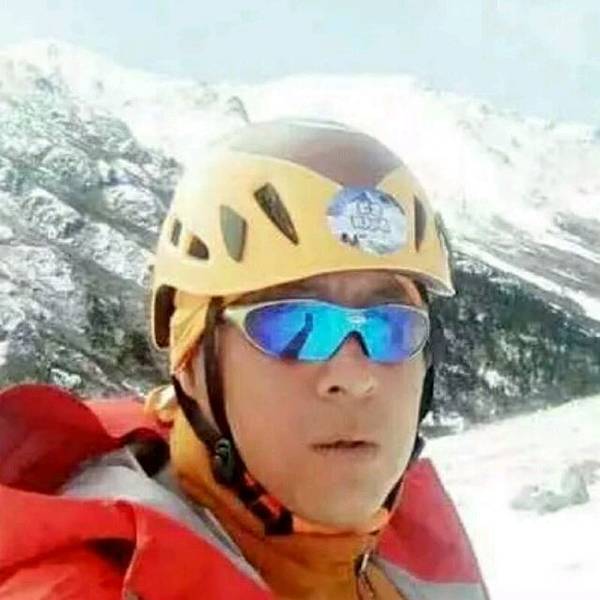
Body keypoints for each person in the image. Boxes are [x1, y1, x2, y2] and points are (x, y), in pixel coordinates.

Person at [0, 119, 489, 599]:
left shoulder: (404, 542)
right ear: (192, 359)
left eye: (392, 327)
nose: (354, 376)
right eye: (292, 325)